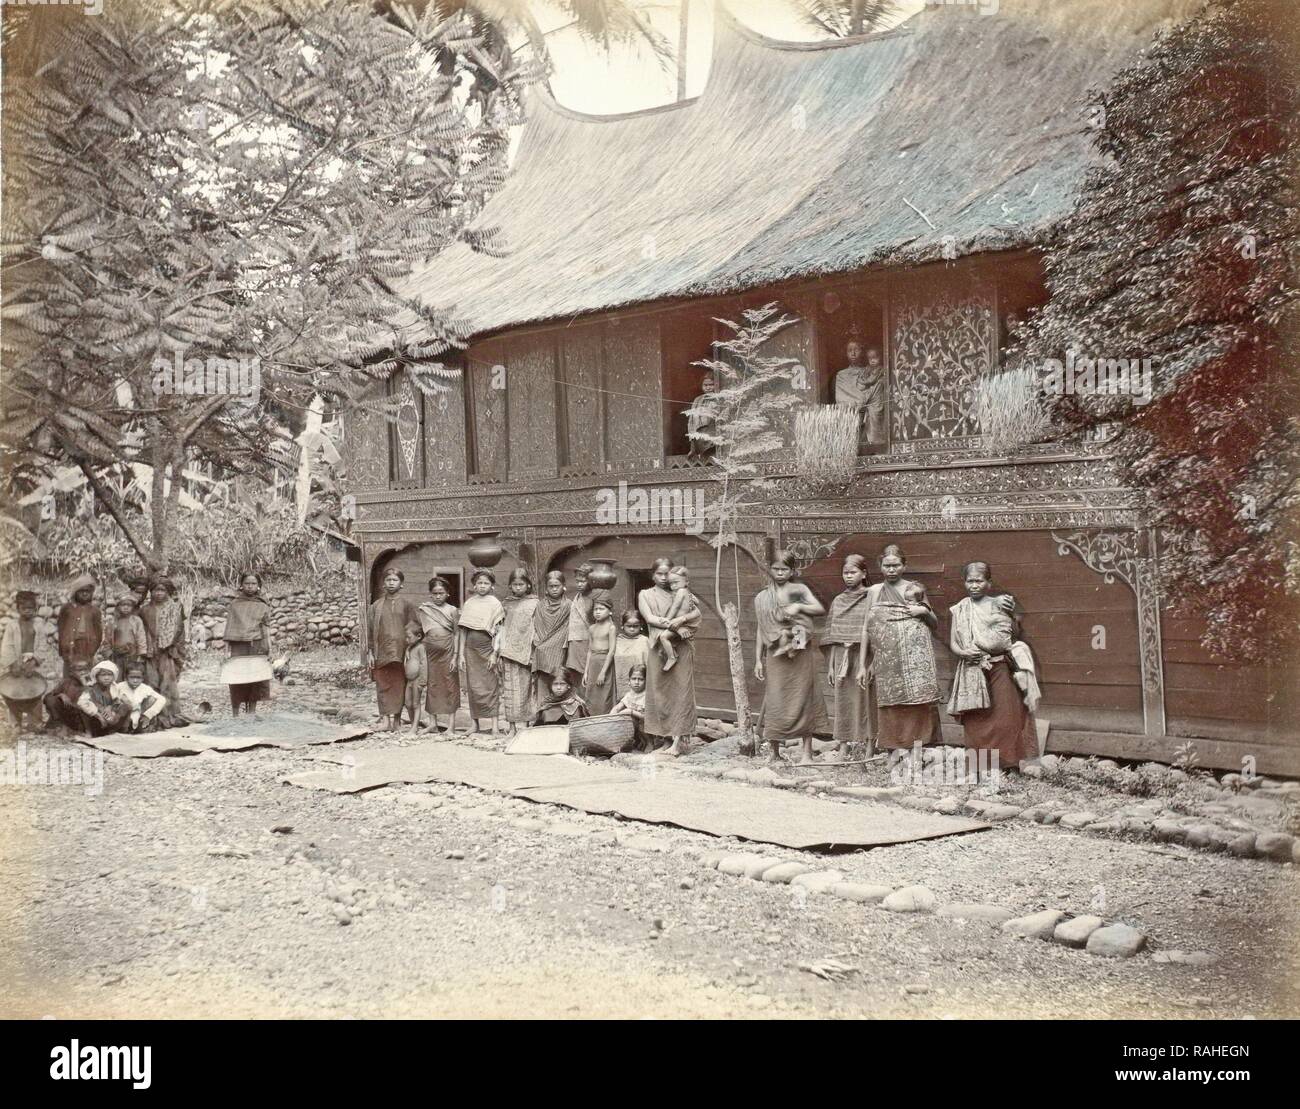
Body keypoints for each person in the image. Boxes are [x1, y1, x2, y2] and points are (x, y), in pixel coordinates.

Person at [947, 561, 1041, 769]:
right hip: (971, 670)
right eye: (969, 581)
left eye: (979, 581)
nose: (974, 586)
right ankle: (979, 765)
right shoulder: (960, 608)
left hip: (999, 667)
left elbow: (1006, 637)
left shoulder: (999, 604)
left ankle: (1008, 765)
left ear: (989, 583)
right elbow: (953, 641)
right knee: (975, 719)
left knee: (1007, 716)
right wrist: (963, 652)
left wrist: (984, 643)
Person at [856, 544, 942, 751]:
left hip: (914, 661)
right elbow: (867, 628)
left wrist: (922, 612)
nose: (891, 570)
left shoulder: (914, 589)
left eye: (895, 565)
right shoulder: (875, 591)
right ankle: (893, 749)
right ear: (880, 566)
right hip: (887, 660)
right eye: (887, 566)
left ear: (904, 566)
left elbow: (934, 622)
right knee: (892, 704)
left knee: (917, 704)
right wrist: (863, 664)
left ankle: (920, 747)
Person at [754, 550, 829, 764]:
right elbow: (761, 628)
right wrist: (758, 659)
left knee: (804, 696)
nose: (779, 573)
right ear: (770, 569)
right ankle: (774, 752)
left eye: (784, 569)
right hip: (774, 654)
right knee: (775, 698)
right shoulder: (762, 597)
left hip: (800, 653)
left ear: (792, 570)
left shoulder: (798, 589)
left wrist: (798, 606)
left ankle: (806, 753)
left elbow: (818, 608)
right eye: (776, 569)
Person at [638, 557, 698, 756]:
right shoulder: (645, 594)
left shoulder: (680, 592)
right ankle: (664, 739)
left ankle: (680, 741)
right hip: (658, 647)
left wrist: (681, 621)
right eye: (659, 574)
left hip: (680, 648)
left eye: (667, 574)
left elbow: (697, 613)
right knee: (659, 693)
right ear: (652, 575)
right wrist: (673, 626)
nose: (664, 578)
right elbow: (650, 618)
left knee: (680, 692)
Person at [820, 554, 874, 762]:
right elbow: (832, 635)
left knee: (866, 699)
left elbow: (875, 630)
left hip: (864, 654)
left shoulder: (871, 597)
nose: (848, 577)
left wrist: (872, 663)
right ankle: (843, 747)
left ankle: (868, 747)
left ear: (864, 574)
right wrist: (832, 667)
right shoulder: (839, 600)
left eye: (853, 572)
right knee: (843, 700)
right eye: (845, 573)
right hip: (842, 656)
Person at [368, 567, 418, 731]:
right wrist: (369, 652)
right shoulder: (376, 606)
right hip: (381, 651)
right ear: (384, 583)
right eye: (388, 580)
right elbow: (370, 630)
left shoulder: (407, 605)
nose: (391, 583)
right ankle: (385, 721)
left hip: (401, 652)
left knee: (399, 685)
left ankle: (396, 720)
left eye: (394, 580)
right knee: (383, 684)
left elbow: (414, 627)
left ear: (401, 584)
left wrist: (411, 647)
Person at [457, 568, 504, 737]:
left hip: (487, 649)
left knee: (491, 687)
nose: (482, 586)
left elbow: (499, 631)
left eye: (486, 583)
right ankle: (474, 724)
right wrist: (460, 654)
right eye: (479, 583)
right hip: (471, 651)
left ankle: (495, 726)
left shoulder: (495, 604)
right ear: (474, 585)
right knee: (473, 687)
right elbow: (463, 631)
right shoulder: (469, 603)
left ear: (491, 585)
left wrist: (494, 654)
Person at [1, 590, 56, 729]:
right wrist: (13, 664)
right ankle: (15, 723)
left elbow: (43, 645)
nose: (27, 611)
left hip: (33, 663)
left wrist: (35, 661)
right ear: (18, 609)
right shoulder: (12, 625)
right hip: (16, 663)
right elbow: (7, 645)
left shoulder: (38, 625)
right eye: (24, 608)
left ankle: (35, 722)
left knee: (35, 692)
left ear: (36, 609)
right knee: (13, 693)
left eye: (31, 608)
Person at [226, 571, 275, 717]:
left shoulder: (263, 605)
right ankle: (235, 714)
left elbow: (266, 628)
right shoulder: (234, 605)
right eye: (247, 583)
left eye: (253, 584)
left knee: (255, 678)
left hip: (257, 646)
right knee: (236, 678)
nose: (250, 586)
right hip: (238, 647)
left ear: (259, 586)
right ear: (241, 585)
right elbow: (229, 627)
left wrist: (270, 649)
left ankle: (251, 713)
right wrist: (226, 651)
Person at [497, 567, 539, 735]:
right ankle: (512, 727)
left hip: (526, 652)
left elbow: (536, 627)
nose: (518, 588)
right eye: (515, 585)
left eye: (521, 584)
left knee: (527, 689)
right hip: (508, 652)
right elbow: (501, 627)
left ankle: (527, 725)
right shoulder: (506, 604)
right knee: (510, 690)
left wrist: (533, 649)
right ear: (510, 586)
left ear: (528, 585)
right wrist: (499, 650)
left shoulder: (535, 603)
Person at [417, 576, 460, 735]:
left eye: (441, 593)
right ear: (430, 594)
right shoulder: (425, 609)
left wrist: (455, 655)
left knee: (450, 685)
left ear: (447, 593)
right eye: (434, 593)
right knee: (432, 684)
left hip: (448, 650)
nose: (437, 596)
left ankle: (451, 725)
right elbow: (421, 631)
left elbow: (457, 634)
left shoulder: (452, 610)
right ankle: (433, 723)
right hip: (431, 653)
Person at [139, 576, 186, 715]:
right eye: (155, 590)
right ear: (150, 592)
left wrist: (175, 647)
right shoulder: (145, 610)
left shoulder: (175, 609)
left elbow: (180, 630)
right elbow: (142, 630)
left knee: (168, 682)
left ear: (168, 592)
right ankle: (151, 713)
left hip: (168, 651)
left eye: (162, 590)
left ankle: (169, 712)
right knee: (151, 680)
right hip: (151, 650)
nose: (159, 593)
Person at [833, 340, 887, 450]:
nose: (853, 354)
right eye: (849, 350)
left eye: (856, 350)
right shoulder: (841, 375)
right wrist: (862, 401)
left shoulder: (871, 371)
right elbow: (841, 399)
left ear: (862, 352)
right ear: (845, 353)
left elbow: (878, 391)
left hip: (871, 418)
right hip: (852, 418)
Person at [532, 570, 571, 704]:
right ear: (546, 588)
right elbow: (537, 627)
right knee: (543, 686)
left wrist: (551, 645)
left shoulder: (568, 605)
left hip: (560, 651)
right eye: (551, 586)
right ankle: (542, 715)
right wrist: (541, 644)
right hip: (541, 651)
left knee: (559, 682)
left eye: (557, 586)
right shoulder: (540, 605)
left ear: (563, 586)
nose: (554, 589)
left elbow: (567, 629)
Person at [652, 567, 701, 671]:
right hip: (685, 623)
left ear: (686, 582)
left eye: (676, 582)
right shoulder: (687, 592)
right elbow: (697, 602)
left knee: (663, 637)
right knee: (665, 638)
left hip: (681, 624)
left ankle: (672, 657)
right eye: (671, 583)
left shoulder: (681, 592)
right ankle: (672, 654)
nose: (673, 586)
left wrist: (668, 619)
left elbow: (676, 606)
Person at [56, 573, 102, 678]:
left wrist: (93, 647)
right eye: (81, 591)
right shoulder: (67, 608)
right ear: (75, 593)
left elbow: (98, 632)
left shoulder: (95, 611)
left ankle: (86, 692)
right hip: (70, 645)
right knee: (70, 670)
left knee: (86, 670)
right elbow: (61, 628)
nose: (85, 594)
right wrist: (63, 647)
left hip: (87, 645)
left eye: (88, 591)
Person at [582, 590, 617, 714]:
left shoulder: (611, 628)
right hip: (593, 664)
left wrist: (603, 672)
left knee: (605, 694)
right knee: (591, 694)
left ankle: (605, 720)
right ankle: (592, 720)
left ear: (609, 611)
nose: (597, 612)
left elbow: (611, 651)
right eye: (595, 609)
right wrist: (586, 672)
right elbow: (590, 651)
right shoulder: (592, 628)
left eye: (601, 609)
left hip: (605, 664)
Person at [75, 660, 130, 737]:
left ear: (114, 676)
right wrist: (97, 715)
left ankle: (118, 730)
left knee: (126, 706)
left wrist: (111, 708)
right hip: (96, 717)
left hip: (109, 715)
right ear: (96, 677)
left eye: (110, 675)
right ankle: (89, 732)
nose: (106, 678)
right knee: (82, 708)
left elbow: (121, 700)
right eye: (103, 675)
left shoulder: (115, 688)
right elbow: (81, 703)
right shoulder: (91, 689)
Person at [116, 661, 170, 733]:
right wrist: (122, 698)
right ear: (126, 677)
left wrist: (148, 715)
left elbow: (162, 699)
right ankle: (124, 728)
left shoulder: (145, 688)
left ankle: (142, 726)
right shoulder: (120, 686)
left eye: (138, 678)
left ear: (143, 678)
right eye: (132, 677)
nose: (135, 680)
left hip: (139, 715)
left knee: (152, 699)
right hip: (124, 717)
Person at [564, 562, 594, 688]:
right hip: (574, 641)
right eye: (578, 581)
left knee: (586, 674)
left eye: (583, 581)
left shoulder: (593, 598)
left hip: (586, 641)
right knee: (574, 674)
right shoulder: (577, 597)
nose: (580, 584)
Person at [105, 595, 148, 676]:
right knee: (117, 674)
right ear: (118, 606)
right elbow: (107, 638)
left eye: (129, 605)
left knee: (130, 673)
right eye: (123, 605)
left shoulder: (136, 620)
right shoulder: (113, 621)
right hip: (117, 654)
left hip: (132, 654)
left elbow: (141, 636)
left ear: (133, 607)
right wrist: (108, 653)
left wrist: (141, 653)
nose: (126, 607)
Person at [612, 609, 649, 701]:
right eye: (629, 626)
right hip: (619, 682)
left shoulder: (644, 641)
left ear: (640, 626)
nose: (632, 629)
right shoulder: (617, 641)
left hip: (640, 682)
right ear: (622, 626)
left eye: (635, 626)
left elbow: (649, 664)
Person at [612, 663, 648, 749]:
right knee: (623, 721)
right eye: (633, 679)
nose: (636, 682)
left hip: (645, 726)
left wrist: (630, 712)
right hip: (634, 726)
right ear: (629, 681)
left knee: (642, 724)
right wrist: (612, 716)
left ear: (646, 681)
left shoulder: (647, 695)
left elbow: (647, 717)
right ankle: (635, 741)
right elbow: (618, 707)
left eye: (640, 679)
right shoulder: (629, 695)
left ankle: (649, 742)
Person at [685, 374, 719, 461]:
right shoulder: (697, 400)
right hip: (700, 439)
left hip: (714, 439)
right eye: (705, 385)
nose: (708, 387)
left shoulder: (719, 398)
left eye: (711, 385)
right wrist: (692, 447)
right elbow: (691, 422)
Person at [402, 625, 427, 736]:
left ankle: (414, 727)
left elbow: (424, 664)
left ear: (419, 636)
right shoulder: (410, 648)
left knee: (416, 704)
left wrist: (423, 681)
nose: (407, 640)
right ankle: (413, 724)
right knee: (407, 703)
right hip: (409, 681)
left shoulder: (421, 647)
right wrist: (407, 650)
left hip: (417, 680)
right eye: (406, 637)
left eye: (409, 637)